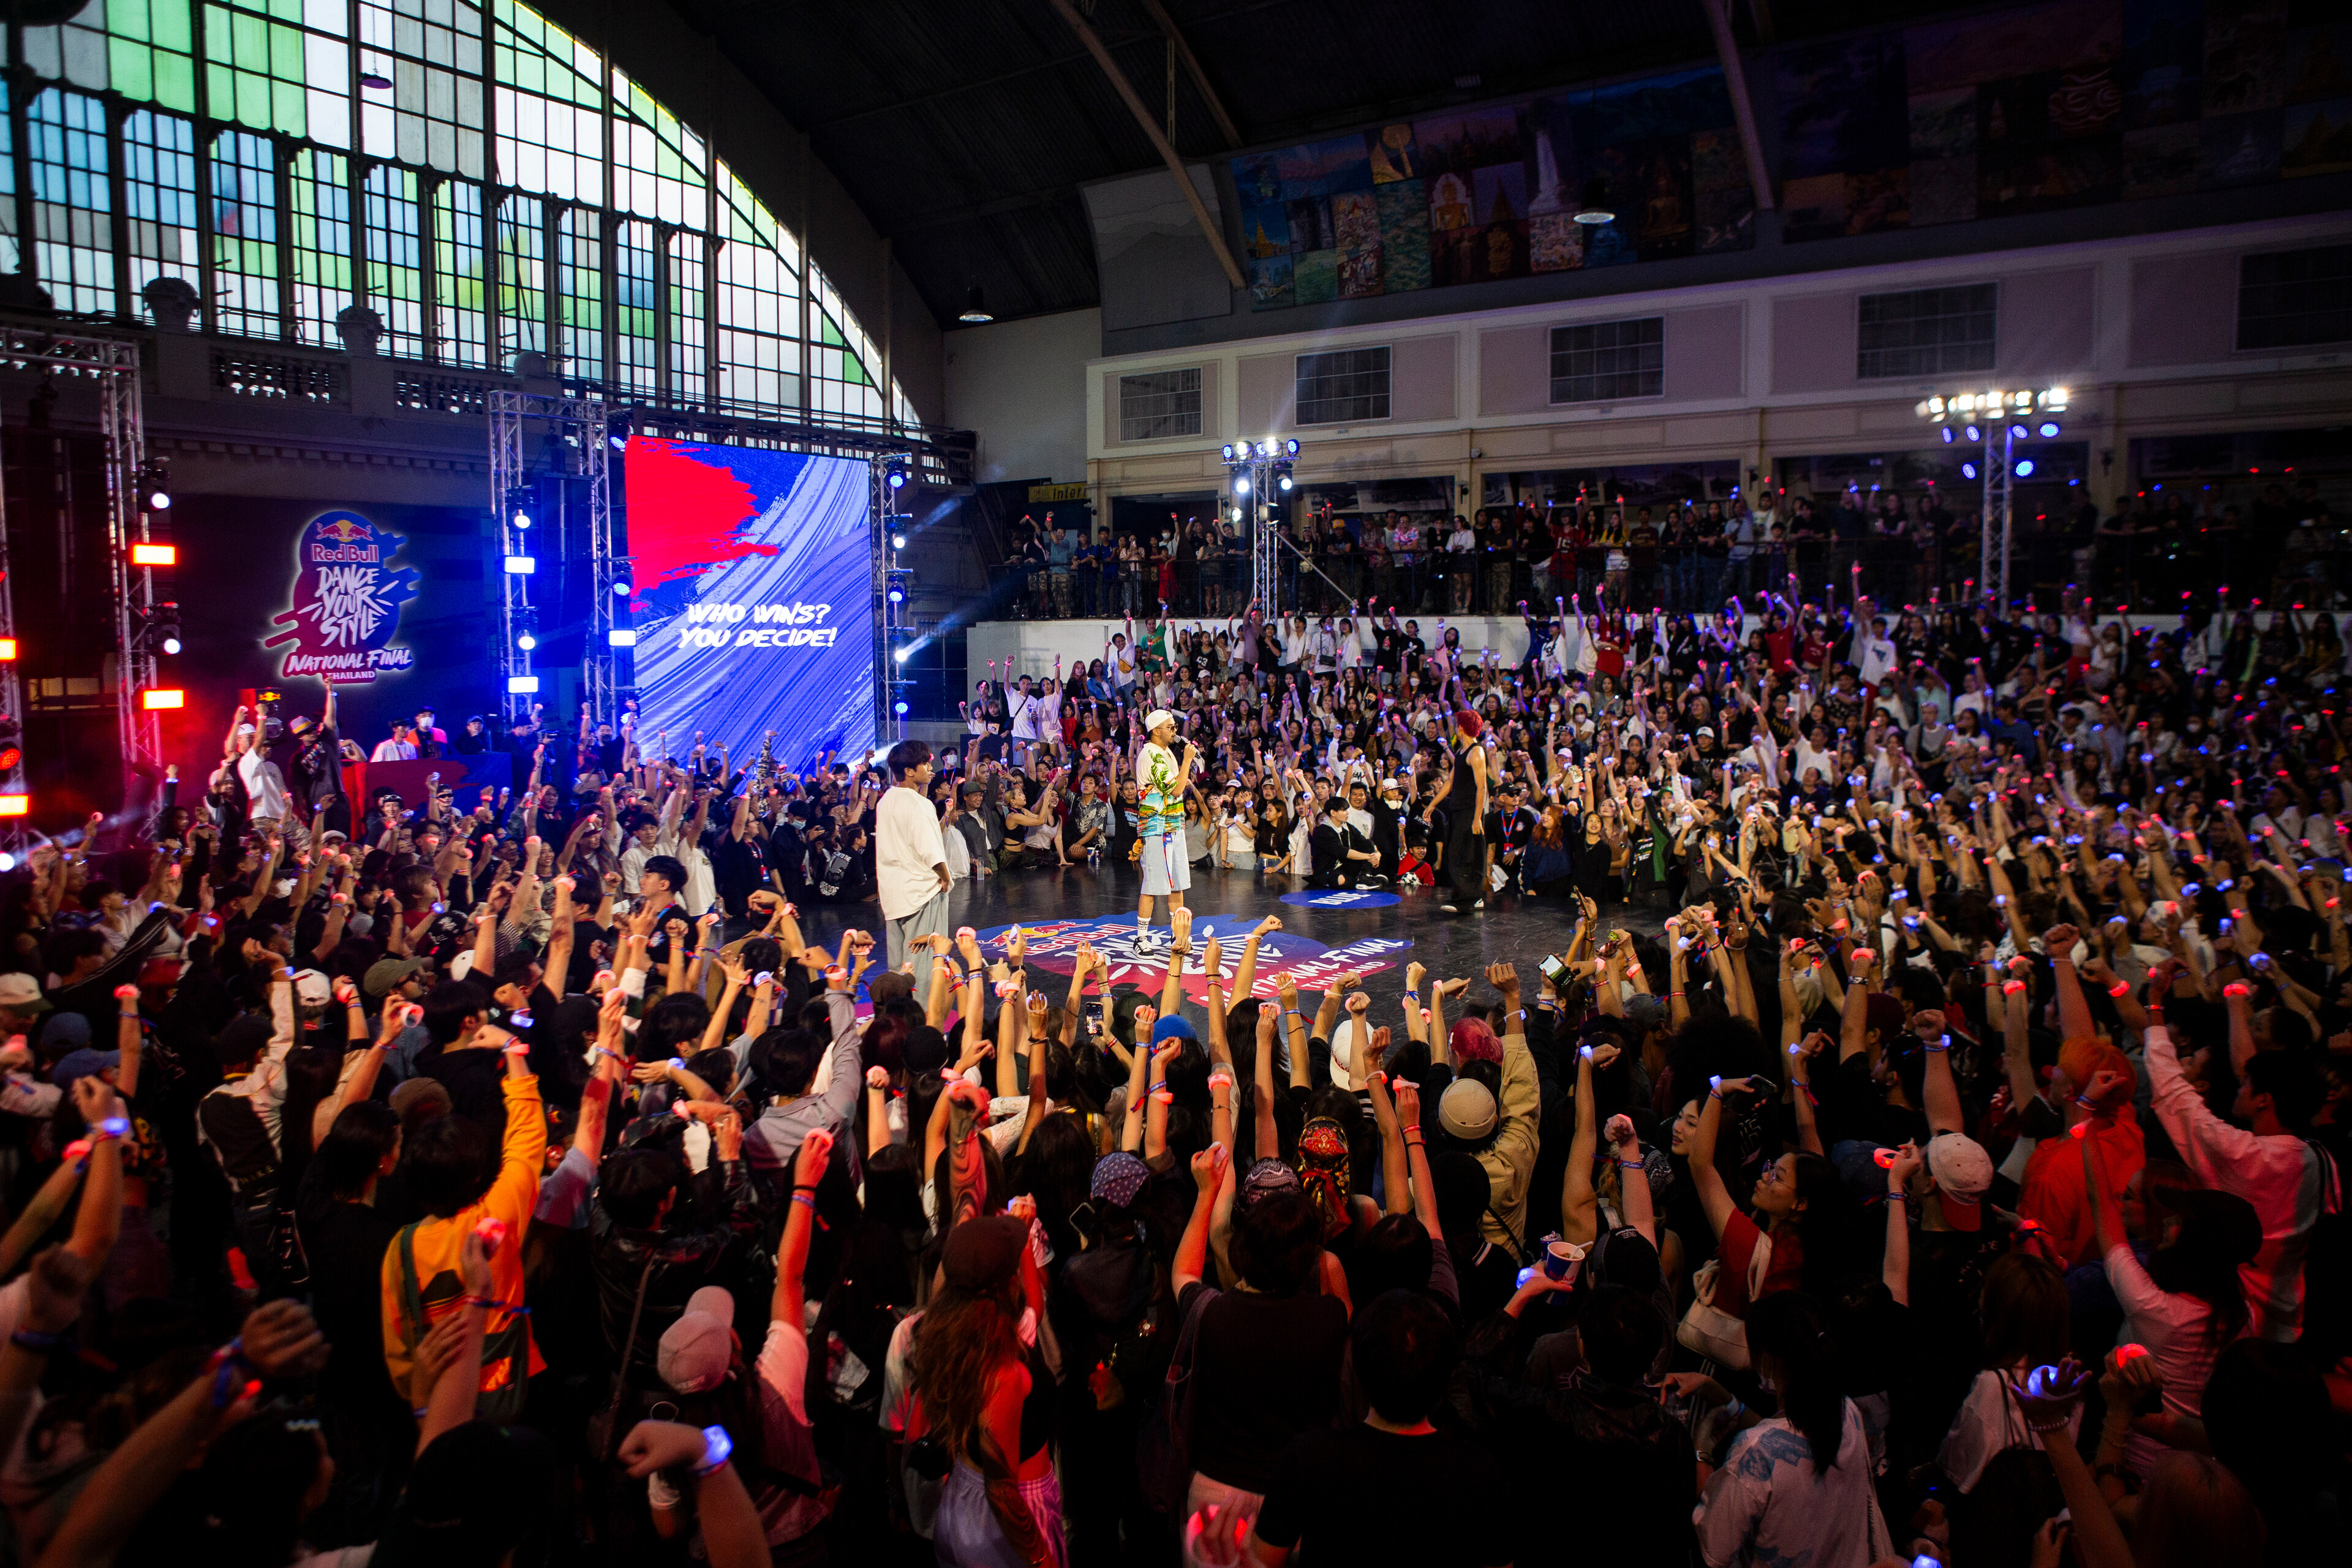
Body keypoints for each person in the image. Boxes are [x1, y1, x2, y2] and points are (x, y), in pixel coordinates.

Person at [1246, 1289, 1509, 1568]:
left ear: (1358, 1369)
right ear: (1446, 1375)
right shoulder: (1481, 1473)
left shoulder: (1307, 1458)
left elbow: (1263, 1562)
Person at [876, 739, 951, 992]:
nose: (930, 768)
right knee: (923, 969)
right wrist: (945, 878)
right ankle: (922, 1016)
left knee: (898, 967)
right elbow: (931, 851)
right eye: (924, 763)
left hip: (893, 895)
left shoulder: (885, 801)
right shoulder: (920, 804)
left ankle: (895, 1012)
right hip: (921, 893)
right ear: (909, 771)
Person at [1132, 708, 1193, 951]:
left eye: (1175, 727)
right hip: (1156, 827)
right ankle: (1141, 938)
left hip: (1173, 824)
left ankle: (1177, 935)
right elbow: (1175, 790)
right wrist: (1187, 760)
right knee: (1153, 884)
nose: (1175, 731)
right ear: (1156, 731)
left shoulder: (1166, 752)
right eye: (1171, 727)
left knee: (1176, 883)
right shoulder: (1151, 754)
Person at [1438, 709, 1488, 916]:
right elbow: (1450, 782)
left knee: (1463, 855)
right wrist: (1432, 805)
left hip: (1470, 811)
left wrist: (1477, 818)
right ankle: (1472, 897)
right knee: (1459, 854)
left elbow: (1482, 787)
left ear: (1461, 728)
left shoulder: (1477, 752)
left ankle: (1467, 900)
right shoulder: (1461, 752)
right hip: (1458, 811)